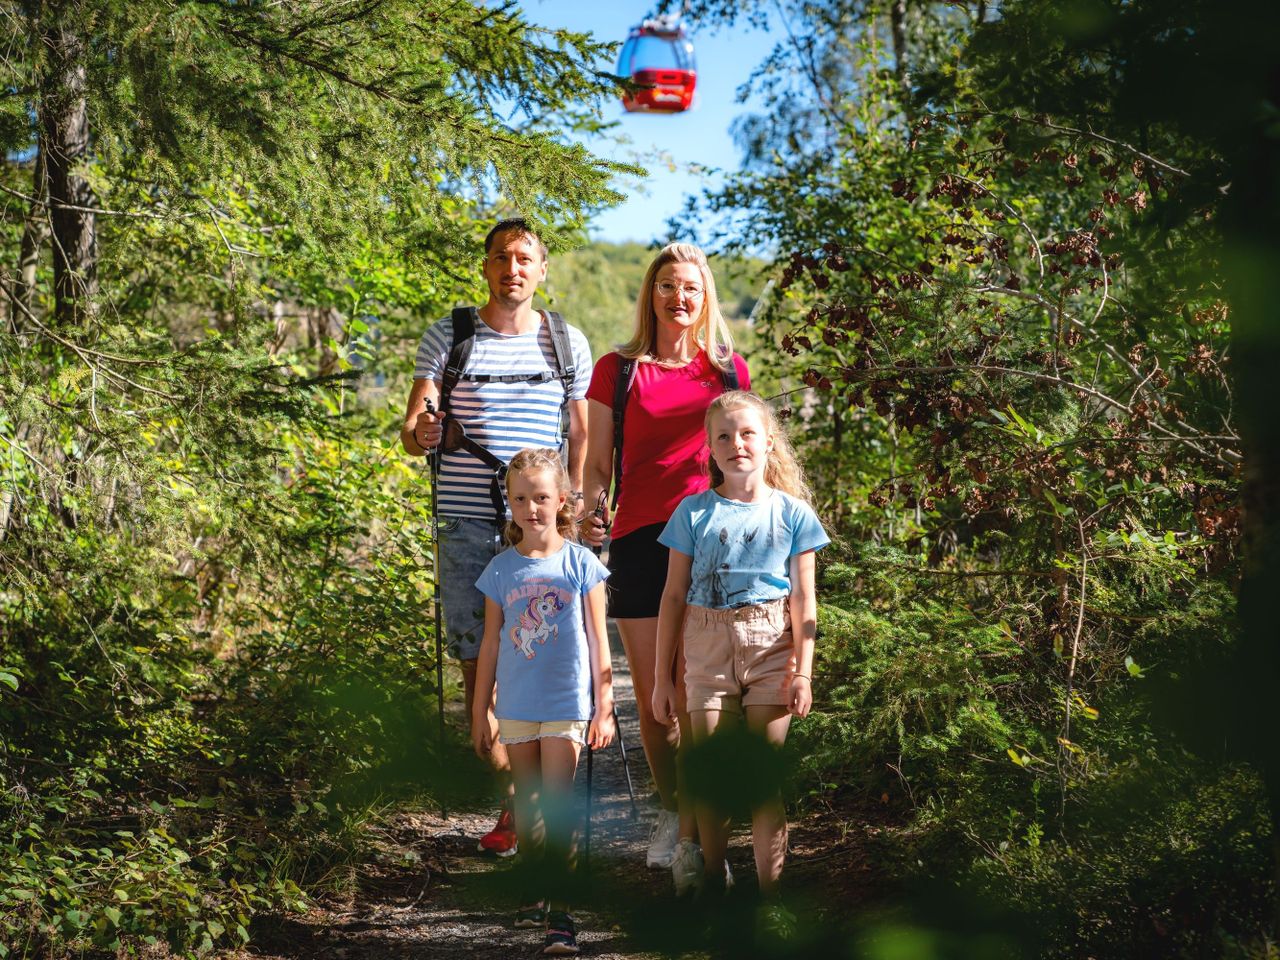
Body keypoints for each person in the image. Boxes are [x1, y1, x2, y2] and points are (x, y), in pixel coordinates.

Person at [402, 218, 593, 857]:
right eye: (501, 258)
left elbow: (581, 435)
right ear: (485, 267)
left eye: (524, 258)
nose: (513, 268)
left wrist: (585, 503)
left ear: (542, 270)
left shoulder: (566, 344)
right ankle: (515, 798)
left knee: (544, 655)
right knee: (477, 661)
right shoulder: (449, 337)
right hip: (466, 519)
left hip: (542, 524)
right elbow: (416, 419)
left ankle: (528, 809)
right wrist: (422, 432)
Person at [581, 243, 749, 892]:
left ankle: (698, 839)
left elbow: (745, 460)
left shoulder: (729, 373)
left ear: (705, 298)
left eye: (691, 288)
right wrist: (591, 513)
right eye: (667, 285)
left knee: (701, 691)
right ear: (649, 294)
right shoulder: (616, 372)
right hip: (638, 539)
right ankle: (674, 807)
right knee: (657, 696)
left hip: (711, 545)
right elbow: (598, 468)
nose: (679, 297)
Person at [651, 390, 828, 906]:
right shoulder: (692, 513)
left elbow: (804, 600)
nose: (736, 444)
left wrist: (803, 673)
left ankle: (771, 903)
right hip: (705, 650)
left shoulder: (793, 515)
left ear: (768, 442)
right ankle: (711, 883)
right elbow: (673, 595)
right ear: (709, 447)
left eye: (747, 433)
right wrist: (664, 678)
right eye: (723, 436)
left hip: (772, 647)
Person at [471, 448, 615, 956]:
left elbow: (599, 639)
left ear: (562, 501)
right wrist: (480, 711)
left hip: (566, 702)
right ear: (508, 502)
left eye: (541, 497)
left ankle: (562, 914)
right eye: (520, 498)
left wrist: (604, 704)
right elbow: (490, 643)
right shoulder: (500, 570)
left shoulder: (582, 564)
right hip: (515, 704)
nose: (531, 508)